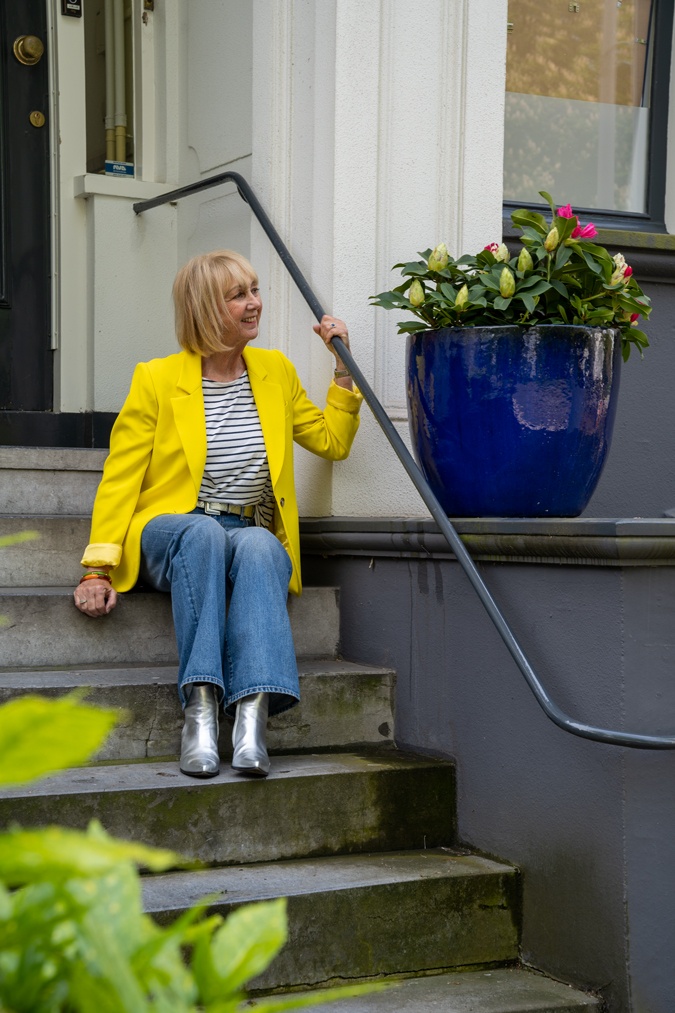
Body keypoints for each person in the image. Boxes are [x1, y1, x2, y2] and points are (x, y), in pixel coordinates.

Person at [73, 250, 362, 779]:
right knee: (204, 531)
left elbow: (331, 442)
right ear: (207, 308)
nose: (255, 304)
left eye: (254, 290)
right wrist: (98, 566)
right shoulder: (157, 380)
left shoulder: (275, 371)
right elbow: (121, 479)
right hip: (172, 529)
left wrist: (343, 368)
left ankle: (251, 721)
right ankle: (200, 712)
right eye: (239, 295)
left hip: (245, 527)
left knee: (258, 544)